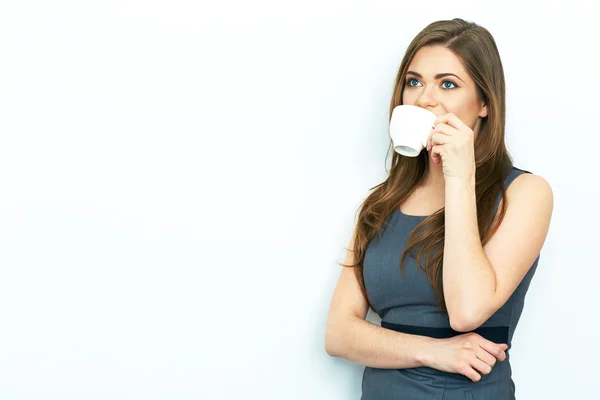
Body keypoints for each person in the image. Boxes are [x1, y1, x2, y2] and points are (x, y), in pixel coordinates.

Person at [325, 18, 554, 399]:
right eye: (414, 82)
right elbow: (338, 333)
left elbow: (467, 311)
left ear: (484, 103)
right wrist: (433, 352)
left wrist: (460, 179)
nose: (424, 98)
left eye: (447, 84)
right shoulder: (381, 203)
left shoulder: (526, 193)